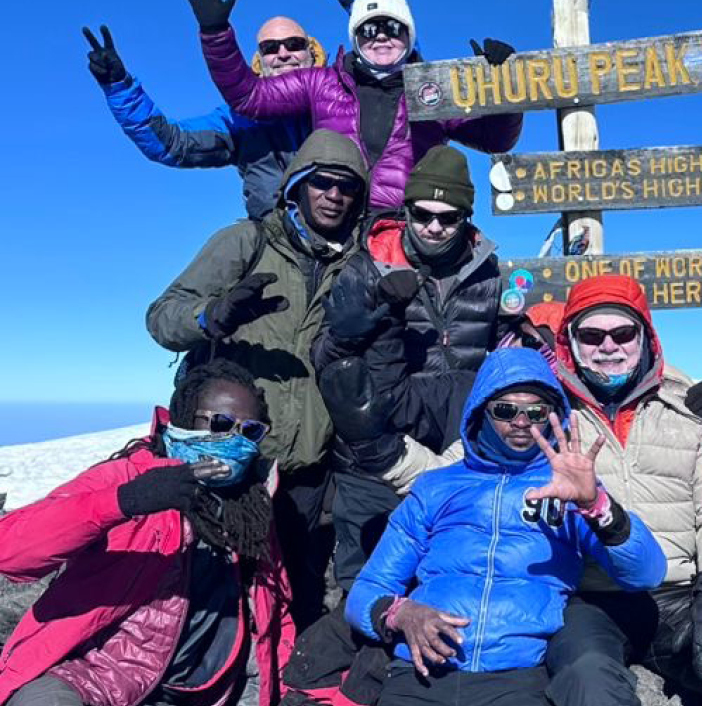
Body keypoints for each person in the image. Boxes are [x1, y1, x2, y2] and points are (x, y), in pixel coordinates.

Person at [370, 275, 702, 706]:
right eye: (591, 335)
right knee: (586, 678)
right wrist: (381, 451)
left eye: (623, 333)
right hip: (591, 594)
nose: (608, 346)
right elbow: (461, 473)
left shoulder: (689, 409)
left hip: (682, 590)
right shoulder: (540, 413)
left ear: (645, 337)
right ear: (570, 343)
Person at [344, 347, 666, 706]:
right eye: (506, 410)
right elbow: (367, 590)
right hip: (420, 674)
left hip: (516, 677)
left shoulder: (570, 488)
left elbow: (646, 574)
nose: (521, 422)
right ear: (482, 410)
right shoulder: (436, 487)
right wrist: (399, 613)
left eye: (536, 411)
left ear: (552, 415)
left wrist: (596, 506)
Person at [146, 128, 370, 629]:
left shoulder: (358, 265)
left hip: (309, 472)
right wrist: (211, 316)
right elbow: (161, 317)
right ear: (296, 187)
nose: (334, 196)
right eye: (322, 183)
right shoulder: (245, 242)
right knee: (212, 603)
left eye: (347, 187)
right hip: (232, 461)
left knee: (302, 600)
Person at [0, 360, 293, 706]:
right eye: (222, 424)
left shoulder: (250, 507)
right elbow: (11, 551)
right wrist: (125, 501)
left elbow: (276, 610)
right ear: (185, 418)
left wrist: (285, 690)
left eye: (250, 431)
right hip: (95, 676)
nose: (234, 441)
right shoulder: (128, 478)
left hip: (206, 693)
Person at [311, 145, 524, 589]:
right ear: (406, 208)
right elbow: (324, 363)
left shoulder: (488, 274)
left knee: (449, 581)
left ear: (466, 217)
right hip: (373, 451)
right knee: (369, 587)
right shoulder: (365, 267)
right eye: (421, 212)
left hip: (454, 453)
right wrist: (345, 335)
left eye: (448, 217)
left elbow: (501, 347)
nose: (432, 226)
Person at [183, 0, 522, 210]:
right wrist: (216, 35)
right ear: (355, 37)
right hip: (340, 232)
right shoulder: (321, 84)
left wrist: (505, 92)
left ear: (409, 37)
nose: (381, 37)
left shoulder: (431, 90)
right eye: (369, 30)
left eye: (393, 28)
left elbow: (496, 139)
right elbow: (249, 97)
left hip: (409, 233)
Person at [82, 17, 322, 220]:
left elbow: (361, 44)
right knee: (221, 256)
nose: (283, 54)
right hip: (276, 241)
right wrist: (119, 87)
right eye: (270, 48)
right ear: (259, 61)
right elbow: (171, 144)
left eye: (294, 44)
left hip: (349, 239)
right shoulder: (239, 119)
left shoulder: (343, 99)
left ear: (311, 52)